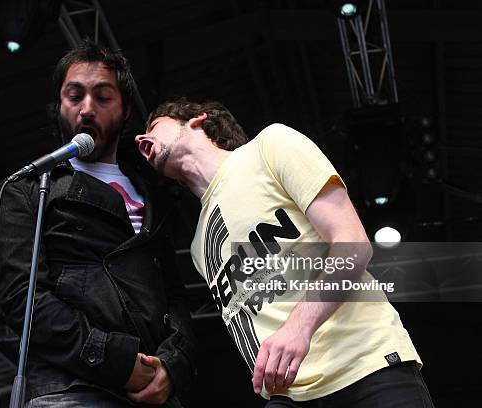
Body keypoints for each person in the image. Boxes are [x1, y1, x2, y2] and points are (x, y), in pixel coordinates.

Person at [135, 99, 434, 407]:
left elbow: (353, 242)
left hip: (364, 366)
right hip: (289, 393)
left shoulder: (269, 147)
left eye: (155, 126)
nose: (139, 139)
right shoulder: (200, 245)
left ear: (197, 120)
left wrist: (297, 328)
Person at [0, 41, 195, 407]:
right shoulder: (31, 188)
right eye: (75, 96)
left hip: (154, 391)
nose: (87, 109)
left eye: (103, 98)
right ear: (59, 106)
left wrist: (173, 362)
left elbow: (175, 294)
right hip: (70, 389)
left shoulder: (154, 192)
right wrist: (114, 360)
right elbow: (23, 300)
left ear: (125, 109)